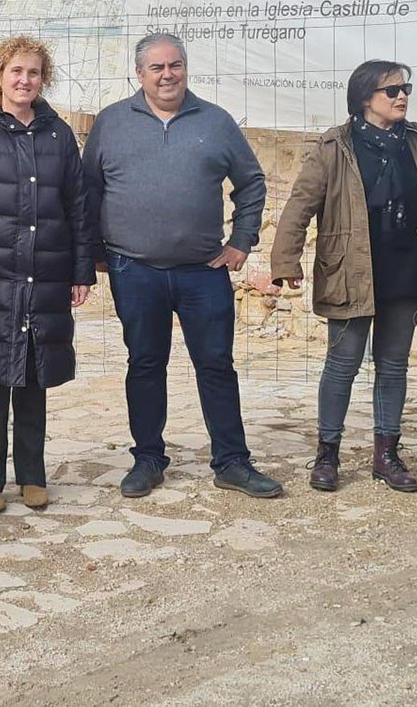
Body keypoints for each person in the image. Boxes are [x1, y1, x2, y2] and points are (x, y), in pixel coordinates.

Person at [83, 32, 282, 499]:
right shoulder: (112, 123)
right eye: (157, 68)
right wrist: (94, 255)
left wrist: (241, 242)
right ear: (139, 74)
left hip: (203, 271)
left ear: (185, 69)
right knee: (145, 364)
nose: (168, 75)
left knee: (216, 365)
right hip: (135, 270)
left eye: (175, 65)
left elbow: (251, 182)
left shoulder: (215, 121)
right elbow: (88, 191)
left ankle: (232, 462)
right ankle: (148, 459)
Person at [270, 60, 417, 492]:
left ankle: (386, 456)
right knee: (342, 365)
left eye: (405, 89)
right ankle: (327, 455)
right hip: (350, 272)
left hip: (404, 271)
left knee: (393, 366)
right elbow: (300, 204)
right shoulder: (334, 146)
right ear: (364, 99)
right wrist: (285, 262)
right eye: (391, 90)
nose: (402, 96)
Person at [0, 36, 96, 513]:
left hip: (46, 271)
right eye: (16, 71)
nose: (24, 80)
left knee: (35, 378)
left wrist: (80, 270)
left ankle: (33, 475)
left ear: (42, 78)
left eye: (33, 73)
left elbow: (76, 205)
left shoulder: (59, 135)